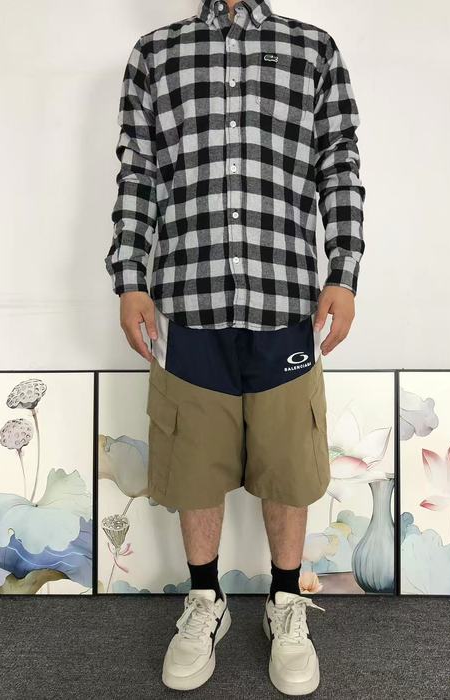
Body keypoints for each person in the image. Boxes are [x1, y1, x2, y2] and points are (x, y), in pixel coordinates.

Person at [104, 0, 365, 694]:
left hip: (286, 304)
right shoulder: (155, 54)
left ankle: (285, 602)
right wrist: (130, 279)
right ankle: (205, 602)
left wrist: (343, 273)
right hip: (186, 301)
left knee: (288, 462)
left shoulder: (313, 51)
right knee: (194, 464)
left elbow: (338, 166)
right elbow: (139, 174)